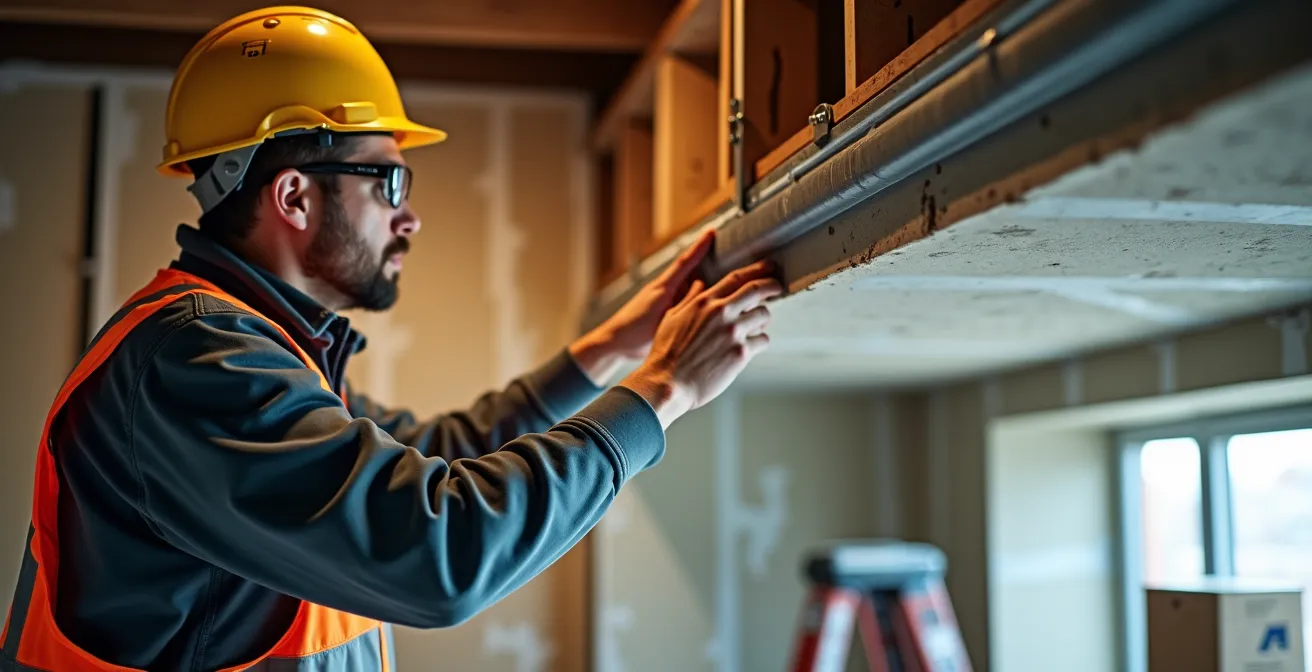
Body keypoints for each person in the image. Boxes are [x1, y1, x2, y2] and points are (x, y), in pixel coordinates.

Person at [0, 6, 781, 671]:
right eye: (390, 182)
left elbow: (442, 457)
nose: (409, 217)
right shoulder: (197, 363)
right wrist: (662, 391)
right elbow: (438, 556)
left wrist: (610, 350)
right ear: (296, 196)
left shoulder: (260, 354)